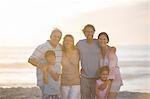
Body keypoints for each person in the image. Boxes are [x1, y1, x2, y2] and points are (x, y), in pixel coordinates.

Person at [28, 28, 62, 99]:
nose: (56, 38)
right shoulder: (42, 47)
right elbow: (31, 59)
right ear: (50, 36)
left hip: (56, 81)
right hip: (44, 81)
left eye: (58, 37)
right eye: (55, 36)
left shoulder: (60, 48)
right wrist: (44, 66)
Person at [76, 24, 100, 99]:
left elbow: (107, 48)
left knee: (95, 97)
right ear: (84, 33)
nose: (89, 33)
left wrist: (113, 48)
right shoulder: (80, 43)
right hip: (84, 77)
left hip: (97, 76)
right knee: (84, 97)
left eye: (91, 31)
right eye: (87, 31)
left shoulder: (98, 42)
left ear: (93, 32)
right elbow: (73, 54)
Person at [98, 32, 123, 99]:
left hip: (114, 79)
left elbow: (112, 69)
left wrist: (106, 83)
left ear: (107, 40)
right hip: (105, 78)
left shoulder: (111, 52)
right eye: (100, 39)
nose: (102, 41)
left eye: (104, 39)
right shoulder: (99, 52)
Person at [61, 34, 80, 99]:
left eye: (70, 41)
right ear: (63, 41)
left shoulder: (77, 51)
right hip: (64, 81)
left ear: (73, 42)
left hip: (76, 82)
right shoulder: (61, 52)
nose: (68, 42)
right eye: (66, 40)